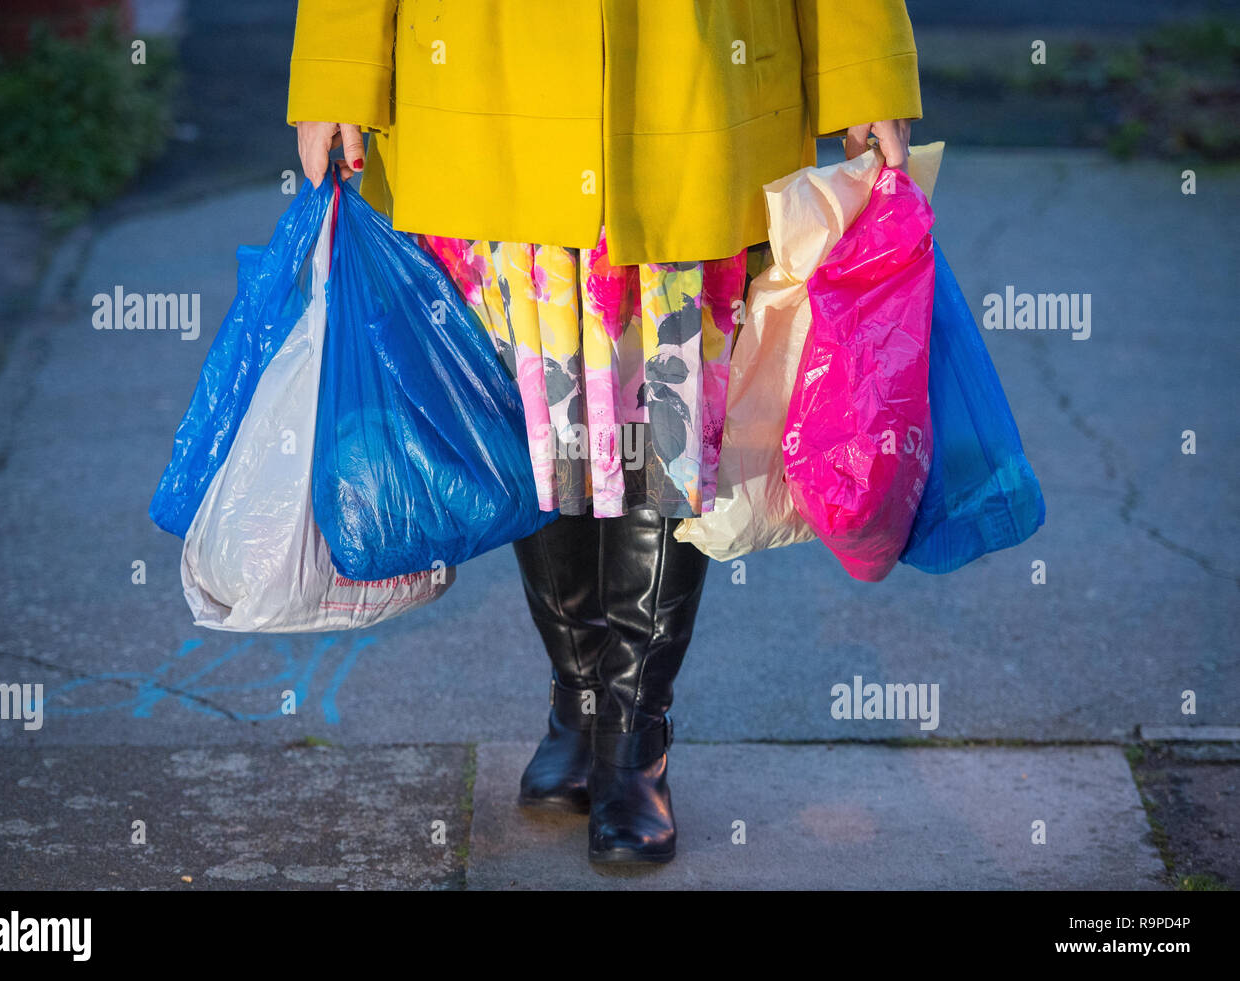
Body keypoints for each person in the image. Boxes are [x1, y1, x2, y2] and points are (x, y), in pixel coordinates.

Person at [287, 0, 921, 865]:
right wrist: (336, 64)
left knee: (670, 423)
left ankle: (633, 739)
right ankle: (582, 701)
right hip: (487, 83)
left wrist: (862, 69)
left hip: (691, 78)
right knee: (537, 424)